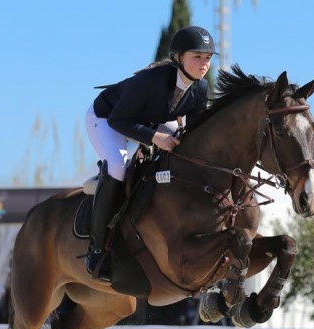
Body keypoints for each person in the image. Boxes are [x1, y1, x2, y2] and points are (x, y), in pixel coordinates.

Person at [85, 25, 217, 279]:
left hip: (146, 121)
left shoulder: (200, 88)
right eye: (197, 56)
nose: (203, 64)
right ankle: (98, 248)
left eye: (208, 58)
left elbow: (196, 131)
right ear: (178, 58)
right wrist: (157, 138)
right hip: (106, 119)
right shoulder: (151, 81)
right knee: (118, 165)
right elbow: (119, 120)